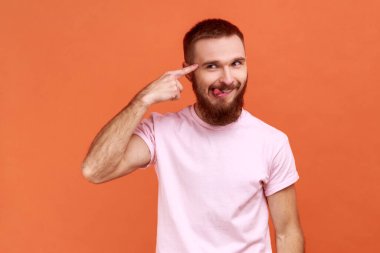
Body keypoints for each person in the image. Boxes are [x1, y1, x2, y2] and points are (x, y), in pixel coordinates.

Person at [82, 18, 304, 253]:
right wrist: (142, 100)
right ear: (189, 72)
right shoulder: (161, 132)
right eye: (212, 66)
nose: (228, 78)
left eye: (236, 63)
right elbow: (94, 170)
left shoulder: (271, 142)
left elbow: (287, 231)